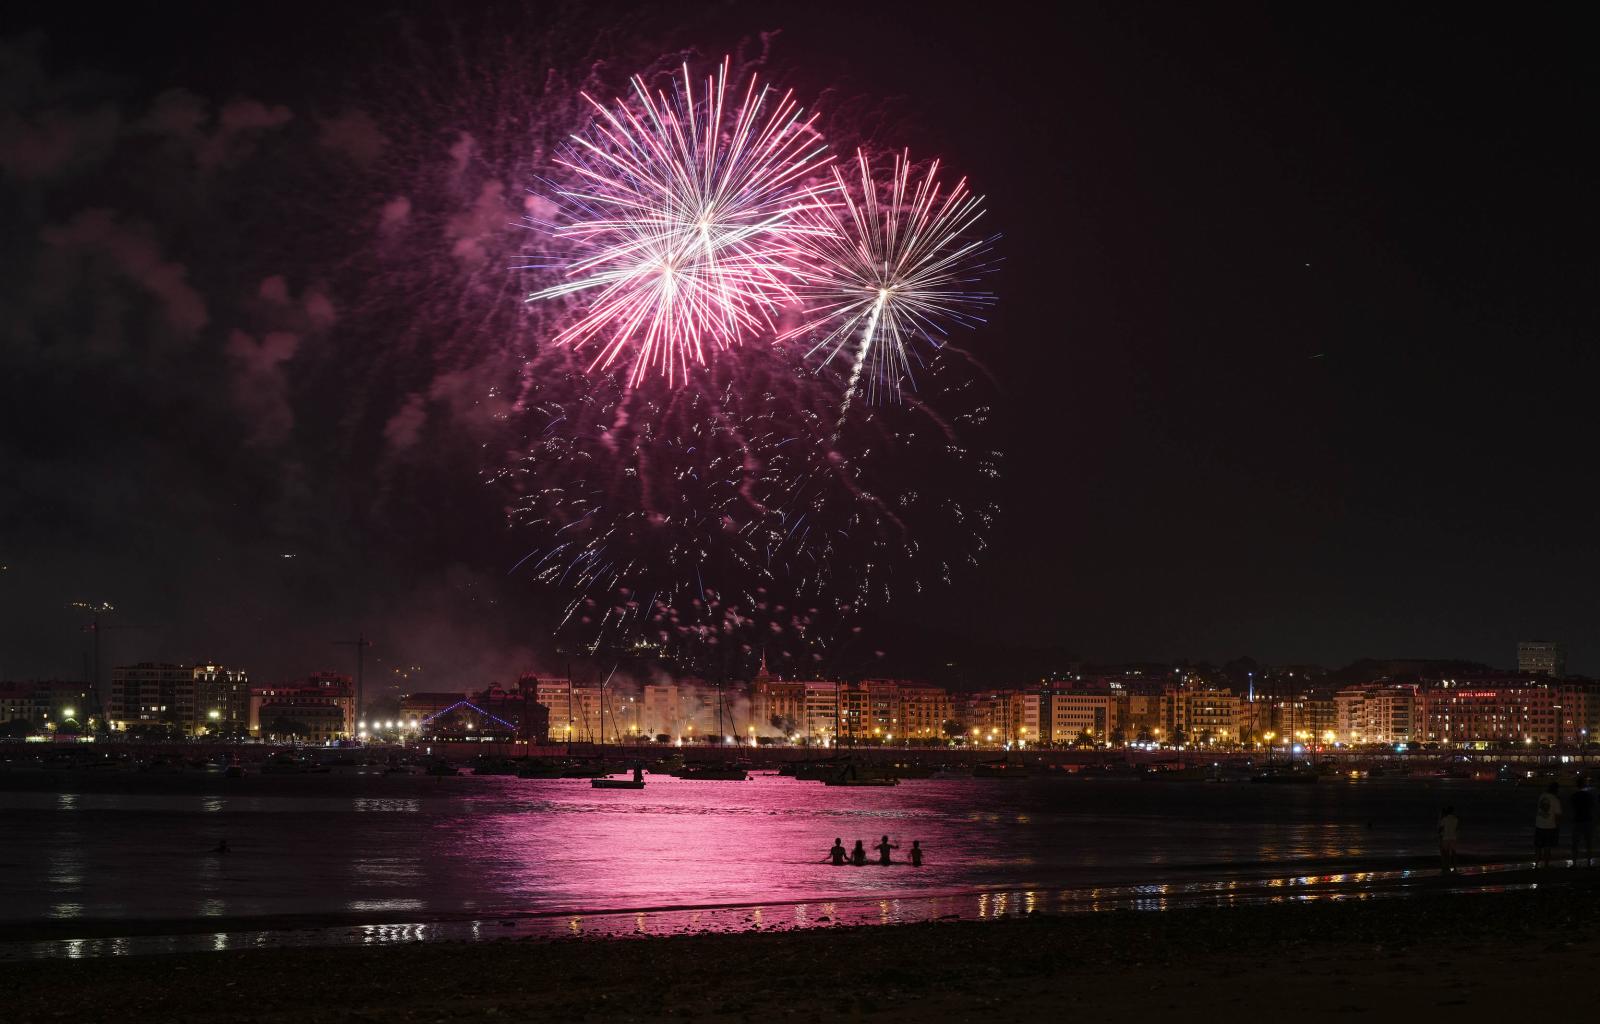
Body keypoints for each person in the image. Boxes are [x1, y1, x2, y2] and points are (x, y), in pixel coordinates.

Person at [1536, 781, 1562, 868]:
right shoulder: (1555, 800)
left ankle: (1536, 863)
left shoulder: (1542, 796)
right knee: (1547, 846)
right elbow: (1558, 815)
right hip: (1550, 826)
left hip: (1539, 824)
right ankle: (1546, 864)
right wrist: (1557, 827)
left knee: (1538, 846)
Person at [1571, 777, 1595, 868]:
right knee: (1588, 843)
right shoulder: (1589, 796)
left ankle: (1574, 863)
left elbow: (1572, 808)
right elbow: (1592, 807)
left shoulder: (1574, 796)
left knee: (1575, 844)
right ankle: (1589, 863)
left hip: (1577, 820)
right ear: (1584, 785)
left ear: (1577, 785)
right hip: (1588, 820)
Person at [1437, 806, 1459, 875]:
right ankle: (1455, 868)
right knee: (1453, 853)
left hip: (1446, 837)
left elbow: (1440, 829)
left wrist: (1440, 832)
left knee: (1445, 854)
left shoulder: (1444, 819)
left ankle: (1446, 869)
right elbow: (1456, 829)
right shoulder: (1456, 819)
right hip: (1453, 838)